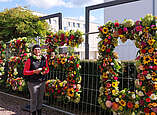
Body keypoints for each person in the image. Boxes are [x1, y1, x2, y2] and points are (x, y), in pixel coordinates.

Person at [23, 44, 49, 115]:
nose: (37, 51)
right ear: (33, 51)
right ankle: (33, 112)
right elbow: (25, 72)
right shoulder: (30, 59)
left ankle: (39, 112)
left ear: (40, 50)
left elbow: (47, 69)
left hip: (42, 81)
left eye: (38, 49)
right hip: (33, 82)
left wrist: (44, 72)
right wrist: (34, 71)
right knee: (34, 99)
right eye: (35, 49)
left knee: (40, 99)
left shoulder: (43, 58)